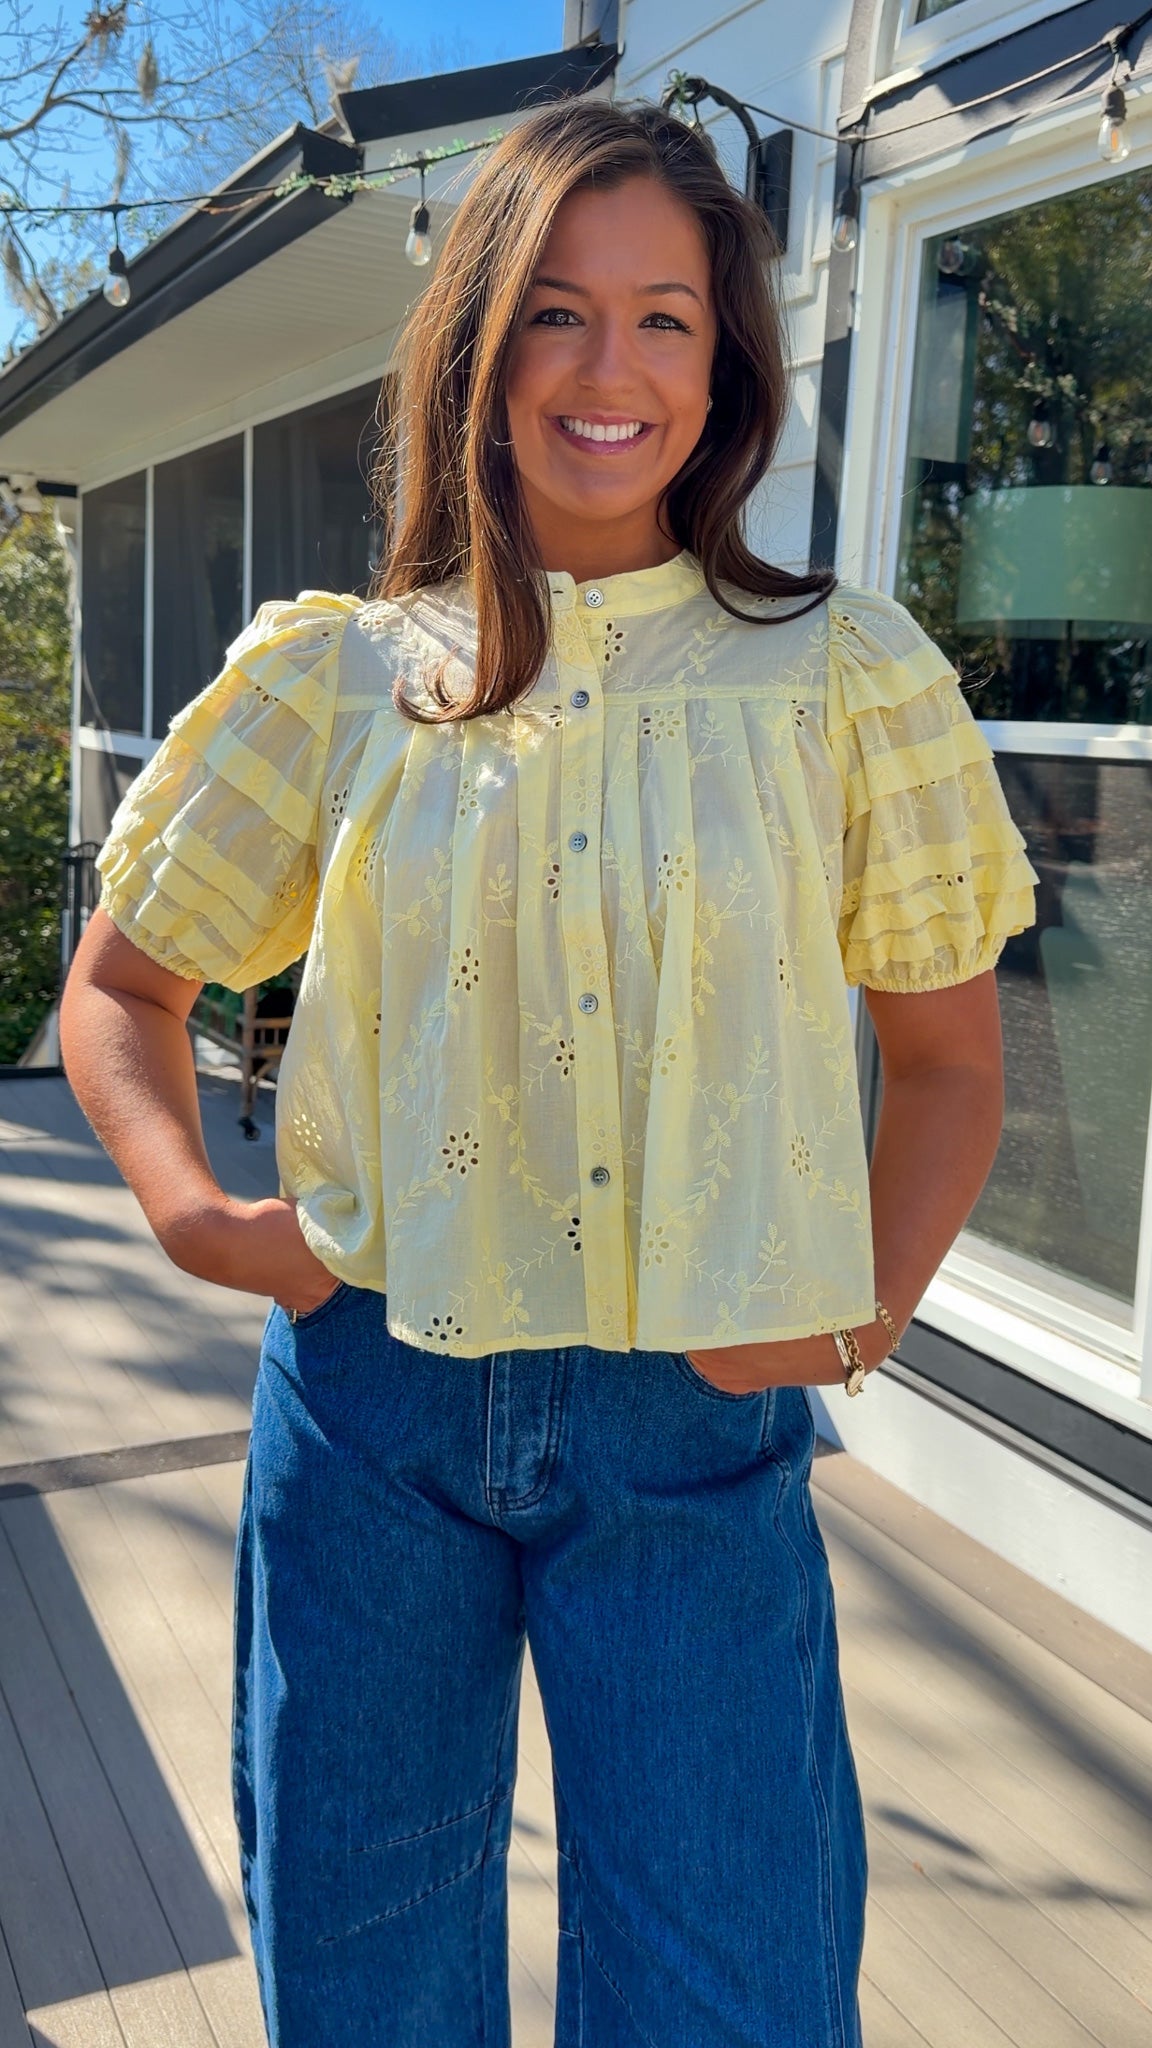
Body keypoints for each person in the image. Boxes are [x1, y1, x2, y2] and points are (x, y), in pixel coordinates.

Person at [61, 96, 1039, 2048]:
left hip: (699, 1420)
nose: (613, 372)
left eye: (666, 317)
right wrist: (192, 1212)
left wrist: (862, 1321)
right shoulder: (338, 676)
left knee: (732, 1992)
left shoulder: (845, 678)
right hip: (368, 1413)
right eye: (556, 314)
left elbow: (945, 1063)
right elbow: (120, 986)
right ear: (477, 347)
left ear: (728, 356)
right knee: (363, 1975)